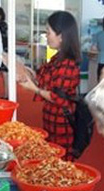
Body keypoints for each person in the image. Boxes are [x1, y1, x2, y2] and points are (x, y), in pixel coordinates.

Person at [18, 11, 80, 161]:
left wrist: (34, 89)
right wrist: (27, 72)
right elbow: (43, 77)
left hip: (61, 122)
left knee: (61, 160)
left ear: (61, 36)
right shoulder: (57, 58)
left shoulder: (68, 63)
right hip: (51, 118)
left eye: (48, 32)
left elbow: (58, 97)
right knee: (51, 155)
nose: (46, 36)